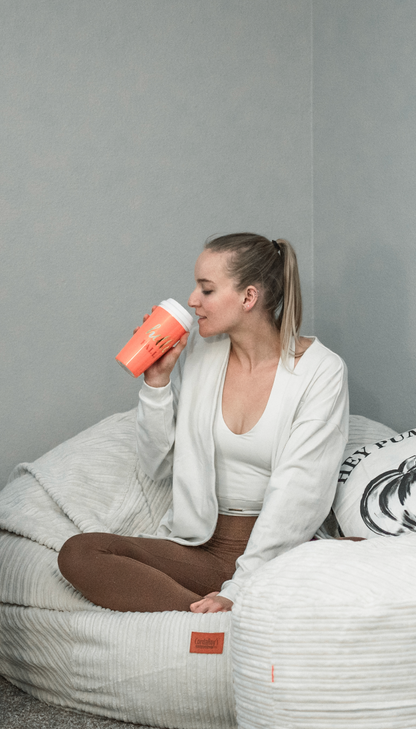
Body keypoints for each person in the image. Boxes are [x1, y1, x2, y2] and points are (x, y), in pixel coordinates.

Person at [57, 233, 349, 613]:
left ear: (248, 297)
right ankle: (209, 620)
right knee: (79, 552)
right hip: (200, 547)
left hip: (277, 552)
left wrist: (239, 588)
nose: (193, 300)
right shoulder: (201, 351)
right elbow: (157, 465)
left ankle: (222, 615)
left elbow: (300, 495)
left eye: (206, 289)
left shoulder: (322, 371)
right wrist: (157, 382)